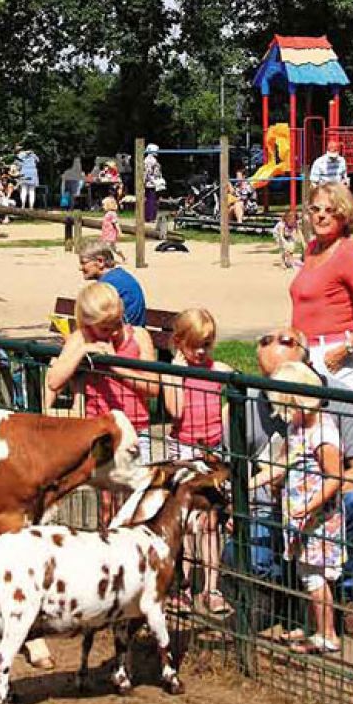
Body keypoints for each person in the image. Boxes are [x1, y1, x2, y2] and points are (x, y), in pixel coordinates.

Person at [230, 326, 353, 639]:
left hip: (320, 508)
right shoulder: (246, 402)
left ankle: (350, 594)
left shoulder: (336, 401)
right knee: (235, 553)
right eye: (269, 382)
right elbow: (235, 467)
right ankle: (279, 591)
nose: (277, 395)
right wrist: (239, 499)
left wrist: (311, 497)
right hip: (268, 510)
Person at [45, 283, 160, 528]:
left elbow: (153, 388)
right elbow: (54, 381)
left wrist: (114, 364)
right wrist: (82, 351)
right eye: (103, 328)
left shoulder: (138, 336)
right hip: (101, 432)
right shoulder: (82, 338)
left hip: (136, 429)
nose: (110, 333)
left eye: (115, 325)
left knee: (138, 498)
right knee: (107, 501)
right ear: (87, 324)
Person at [252, 362, 348, 654]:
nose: (285, 414)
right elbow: (281, 463)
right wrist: (251, 483)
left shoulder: (322, 433)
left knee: (316, 576)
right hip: (300, 515)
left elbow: (335, 477)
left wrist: (310, 505)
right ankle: (313, 627)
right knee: (308, 573)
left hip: (317, 518)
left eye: (287, 406)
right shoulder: (298, 427)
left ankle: (326, 635)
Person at [290, 182, 353, 392]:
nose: (321, 216)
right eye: (315, 209)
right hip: (305, 352)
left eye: (330, 211)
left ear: (343, 215)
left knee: (334, 422)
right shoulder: (312, 250)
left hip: (335, 357)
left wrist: (345, 349)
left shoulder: (348, 255)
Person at [164, 307, 232, 616]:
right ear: (179, 343)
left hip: (212, 451)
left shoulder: (217, 369)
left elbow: (234, 393)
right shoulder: (173, 373)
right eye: (196, 346)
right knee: (187, 521)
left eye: (208, 344)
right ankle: (184, 585)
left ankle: (212, 587)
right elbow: (175, 412)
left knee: (210, 522)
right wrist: (178, 374)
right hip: (185, 450)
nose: (203, 352)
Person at [77, 240, 146, 327]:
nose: (80, 268)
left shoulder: (108, 285)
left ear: (100, 261)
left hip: (123, 336)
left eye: (83, 263)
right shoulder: (119, 276)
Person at [143, 143, 165, 223]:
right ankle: (150, 217)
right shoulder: (150, 160)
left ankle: (151, 216)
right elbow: (147, 173)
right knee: (151, 200)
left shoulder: (150, 159)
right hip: (151, 183)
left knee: (152, 200)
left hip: (152, 182)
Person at [99, 197, 126, 262]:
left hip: (111, 234)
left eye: (103, 205)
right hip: (106, 234)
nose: (102, 207)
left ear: (108, 205)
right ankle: (122, 257)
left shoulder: (112, 214)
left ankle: (108, 259)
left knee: (106, 247)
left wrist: (119, 232)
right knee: (114, 248)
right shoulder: (107, 214)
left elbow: (116, 223)